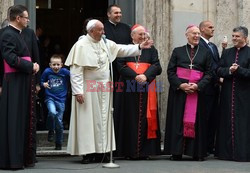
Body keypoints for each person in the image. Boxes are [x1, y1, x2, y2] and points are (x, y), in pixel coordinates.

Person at [64, 19, 153, 164]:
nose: (103, 32)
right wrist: (78, 91)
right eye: (100, 30)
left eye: (103, 29)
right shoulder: (80, 45)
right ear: (91, 31)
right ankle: (88, 153)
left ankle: (102, 152)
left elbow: (122, 49)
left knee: (103, 120)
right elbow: (76, 72)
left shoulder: (105, 43)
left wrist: (139, 47)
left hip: (104, 87)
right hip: (88, 89)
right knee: (88, 121)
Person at [0, 5, 39, 169]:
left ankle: (23, 157)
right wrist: (31, 66)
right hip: (14, 82)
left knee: (23, 118)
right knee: (14, 120)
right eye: (26, 17)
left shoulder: (20, 33)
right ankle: (13, 160)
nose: (28, 20)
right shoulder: (7, 34)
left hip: (23, 80)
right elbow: (11, 58)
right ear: (18, 19)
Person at [164, 25, 211, 161]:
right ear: (187, 35)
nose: (196, 36)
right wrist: (180, 85)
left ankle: (197, 153)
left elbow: (209, 73)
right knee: (178, 121)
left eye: (198, 34)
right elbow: (170, 71)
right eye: (194, 33)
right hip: (180, 92)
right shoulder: (177, 51)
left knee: (196, 122)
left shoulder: (205, 52)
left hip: (197, 92)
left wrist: (198, 85)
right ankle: (176, 152)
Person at [114, 24, 162, 159]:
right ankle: (128, 151)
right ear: (132, 35)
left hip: (146, 87)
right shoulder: (125, 49)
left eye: (144, 34)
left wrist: (145, 76)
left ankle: (144, 151)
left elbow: (157, 66)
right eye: (140, 34)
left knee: (146, 119)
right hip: (127, 89)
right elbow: (120, 66)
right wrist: (135, 76)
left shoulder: (152, 50)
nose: (142, 36)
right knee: (128, 118)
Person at [215, 26, 250, 161]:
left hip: (245, 96)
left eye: (237, 36)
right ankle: (226, 153)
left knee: (243, 124)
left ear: (245, 38)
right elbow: (218, 70)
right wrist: (229, 70)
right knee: (227, 122)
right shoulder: (227, 52)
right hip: (228, 95)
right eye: (233, 36)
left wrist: (239, 70)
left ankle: (243, 154)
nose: (234, 38)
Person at [199, 20, 220, 155]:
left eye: (213, 27)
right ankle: (203, 147)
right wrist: (218, 78)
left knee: (213, 117)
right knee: (205, 117)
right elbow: (209, 67)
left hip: (214, 88)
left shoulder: (213, 46)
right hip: (205, 87)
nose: (213, 29)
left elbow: (217, 64)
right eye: (210, 27)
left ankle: (210, 145)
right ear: (202, 29)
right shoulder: (199, 45)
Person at [40, 54, 70, 150]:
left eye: (58, 65)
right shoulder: (47, 72)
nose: (56, 67)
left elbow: (75, 76)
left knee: (59, 122)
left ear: (61, 65)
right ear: (50, 65)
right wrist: (43, 84)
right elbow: (40, 81)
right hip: (50, 98)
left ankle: (59, 143)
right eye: (54, 65)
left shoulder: (65, 72)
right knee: (52, 113)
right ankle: (51, 130)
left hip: (61, 100)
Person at [104, 4, 132, 89]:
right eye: (116, 13)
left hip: (124, 65)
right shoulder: (103, 27)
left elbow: (130, 45)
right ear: (109, 14)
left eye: (120, 13)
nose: (119, 15)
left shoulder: (126, 28)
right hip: (108, 65)